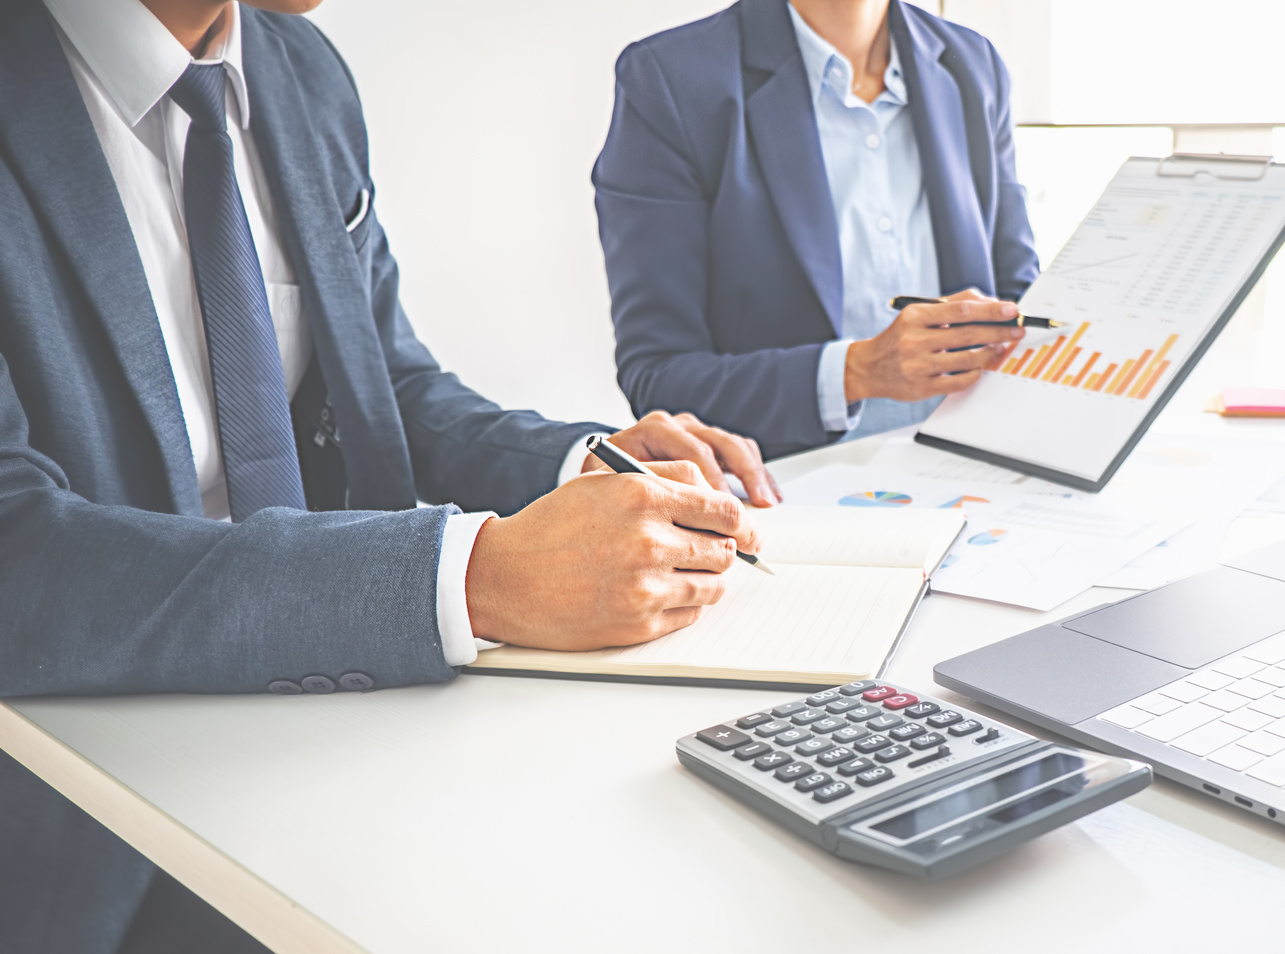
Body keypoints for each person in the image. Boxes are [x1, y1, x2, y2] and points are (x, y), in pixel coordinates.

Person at [0, 0, 781, 949]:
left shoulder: (300, 69)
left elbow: (383, 382)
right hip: (84, 823)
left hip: (341, 746)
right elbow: (16, 552)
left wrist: (583, 462)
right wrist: (470, 577)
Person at [595, 0, 1042, 459]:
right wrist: (857, 372)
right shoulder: (672, 78)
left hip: (977, 476)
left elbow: (1021, 300)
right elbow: (659, 378)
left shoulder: (974, 63)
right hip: (783, 495)